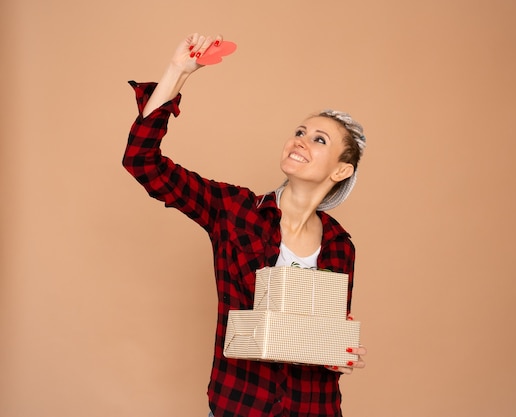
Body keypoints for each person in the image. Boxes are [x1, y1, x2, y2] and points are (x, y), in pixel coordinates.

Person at [123, 33, 367, 417]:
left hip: (314, 407)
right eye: (300, 132)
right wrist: (177, 72)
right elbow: (142, 162)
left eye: (319, 139)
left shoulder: (340, 246)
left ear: (341, 169)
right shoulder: (234, 209)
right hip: (240, 405)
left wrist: (340, 351)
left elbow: (325, 337)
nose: (300, 141)